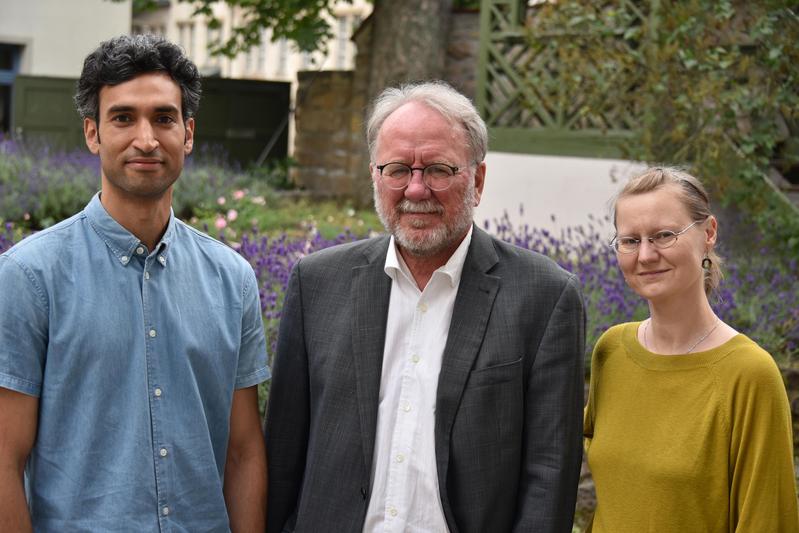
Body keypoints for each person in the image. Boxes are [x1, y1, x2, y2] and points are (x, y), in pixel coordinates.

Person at [264, 81, 585, 533]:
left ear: (477, 179)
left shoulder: (543, 297)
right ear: (375, 175)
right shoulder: (318, 283)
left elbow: (549, 477)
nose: (416, 189)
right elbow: (282, 452)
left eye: (437, 169)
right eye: (397, 169)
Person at [0, 34, 270, 532]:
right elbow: (4, 459)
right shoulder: (28, 277)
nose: (146, 139)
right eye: (123, 118)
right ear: (92, 133)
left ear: (188, 133)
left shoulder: (233, 280)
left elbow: (243, 452)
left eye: (163, 118)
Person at [584, 167, 799, 532]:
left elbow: (768, 521)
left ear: (709, 233)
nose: (646, 255)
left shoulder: (749, 375)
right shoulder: (612, 351)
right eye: (630, 240)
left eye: (664, 235)